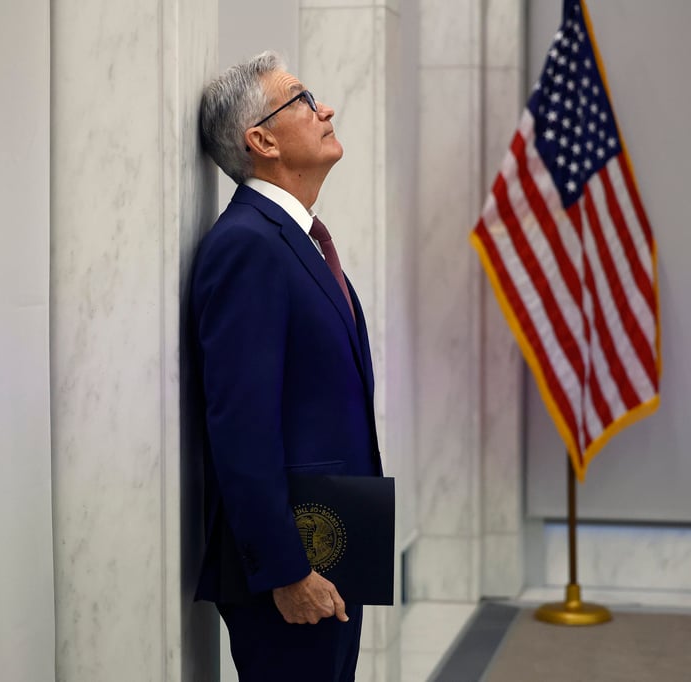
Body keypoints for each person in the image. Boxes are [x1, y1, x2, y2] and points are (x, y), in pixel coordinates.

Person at [190, 51, 382, 681]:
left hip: (332, 546)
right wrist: (286, 570)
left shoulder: (295, 238)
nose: (324, 108)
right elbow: (241, 427)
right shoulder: (247, 245)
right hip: (290, 569)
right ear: (262, 139)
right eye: (303, 99)